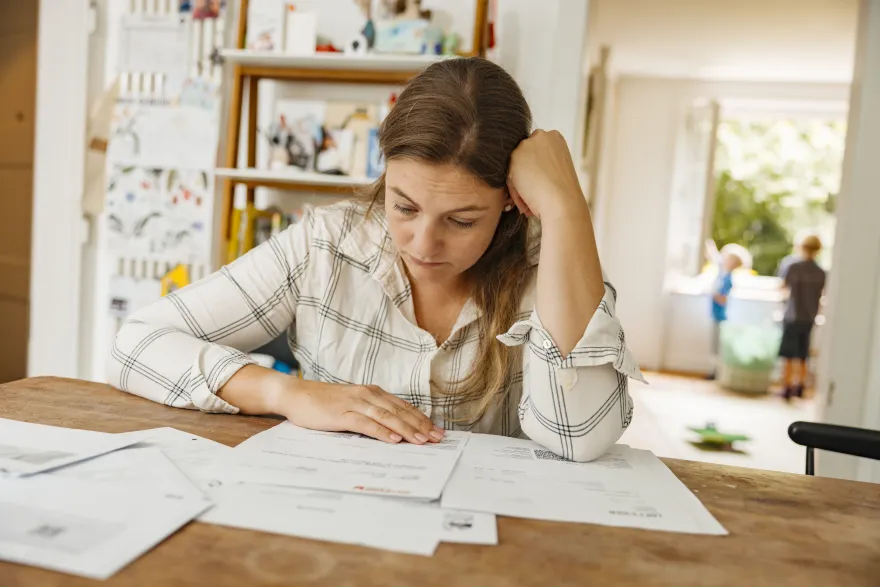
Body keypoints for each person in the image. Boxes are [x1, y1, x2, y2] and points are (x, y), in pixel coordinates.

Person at [107, 58, 644, 463]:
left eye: (462, 220)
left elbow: (578, 436)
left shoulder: (544, 269)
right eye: (403, 205)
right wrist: (285, 391)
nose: (422, 244)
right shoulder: (326, 243)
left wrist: (567, 208)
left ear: (509, 200)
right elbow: (134, 344)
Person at [777, 234, 826, 400]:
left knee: (789, 354)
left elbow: (782, 287)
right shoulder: (820, 272)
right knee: (803, 353)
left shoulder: (792, 267)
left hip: (792, 315)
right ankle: (800, 386)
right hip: (809, 317)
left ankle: (787, 387)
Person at [704, 240, 744, 379]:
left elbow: (723, 298)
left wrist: (713, 294)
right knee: (714, 345)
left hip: (721, 316)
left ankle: (716, 373)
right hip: (715, 315)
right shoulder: (722, 273)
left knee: (718, 346)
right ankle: (713, 371)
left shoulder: (728, 279)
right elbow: (715, 258)